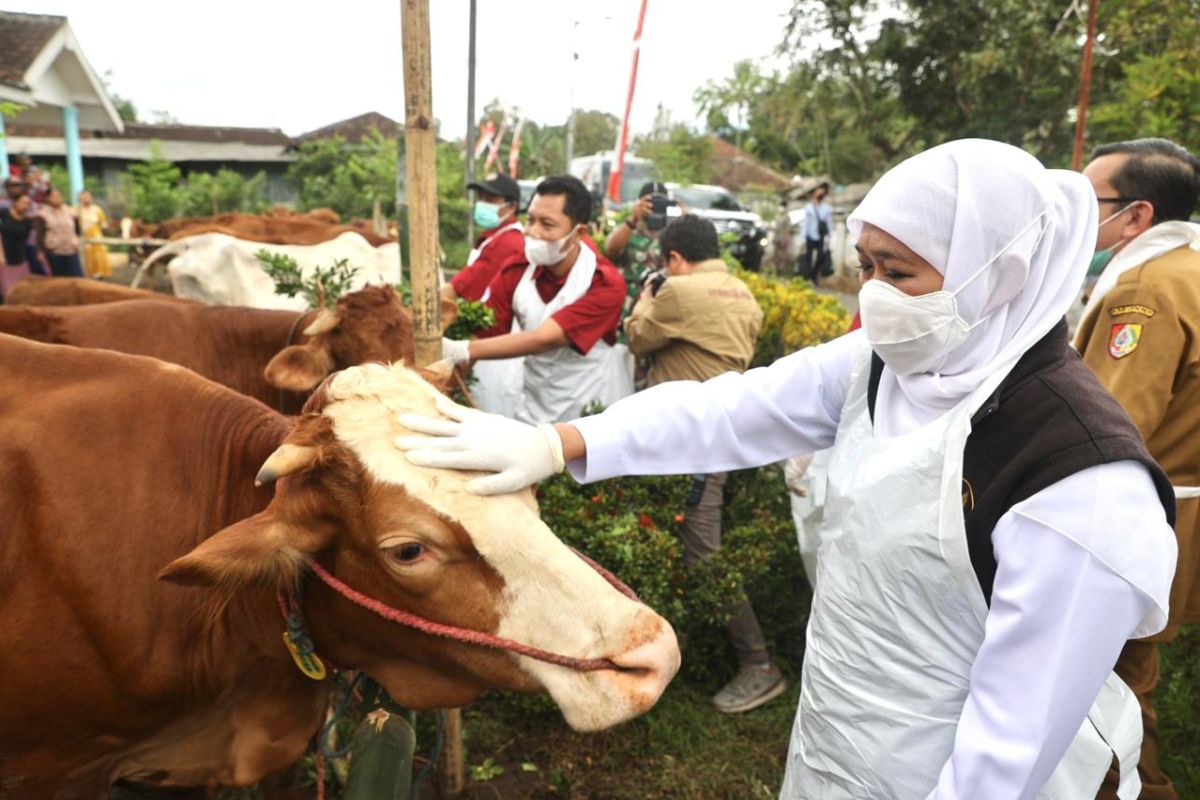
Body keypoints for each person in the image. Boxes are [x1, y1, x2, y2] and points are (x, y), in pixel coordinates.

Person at [397, 140, 1178, 799]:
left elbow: (1012, 742)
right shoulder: (896, 359)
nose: (872, 297)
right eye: (864, 265)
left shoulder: (1077, 480)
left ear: (999, 275)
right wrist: (563, 443)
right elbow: (733, 409)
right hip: (837, 735)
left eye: (898, 273)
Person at [1075, 137, 1200, 800]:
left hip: (1137, 516)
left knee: (1109, 679)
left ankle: (1138, 788)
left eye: (1085, 201)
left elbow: (1106, 425)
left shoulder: (1147, 288)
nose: (1074, 217)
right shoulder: (1188, 266)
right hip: (1169, 506)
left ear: (1135, 215)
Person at [624, 214, 775, 712]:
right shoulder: (742, 294)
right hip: (721, 437)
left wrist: (647, 295)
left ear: (673, 258)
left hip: (688, 443)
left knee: (701, 555)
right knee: (687, 545)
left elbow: (638, 337)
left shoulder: (679, 293)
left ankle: (758, 664)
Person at [439, 175, 631, 425]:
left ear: (578, 233)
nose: (533, 233)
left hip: (591, 405)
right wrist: (446, 384)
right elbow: (486, 330)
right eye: (530, 220)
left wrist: (459, 349)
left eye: (547, 225)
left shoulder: (603, 281)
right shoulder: (516, 270)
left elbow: (546, 338)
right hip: (535, 402)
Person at [441, 172, 526, 303]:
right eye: (481, 197)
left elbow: (466, 283)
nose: (482, 204)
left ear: (512, 206)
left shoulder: (508, 243)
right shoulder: (497, 236)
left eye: (490, 199)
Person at [604, 180, 669, 315]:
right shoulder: (629, 229)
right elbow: (610, 249)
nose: (653, 207)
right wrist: (633, 219)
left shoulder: (673, 231)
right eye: (649, 203)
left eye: (660, 203)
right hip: (630, 303)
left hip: (662, 303)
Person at [35, 187, 83, 278]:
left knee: (77, 277)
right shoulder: (42, 214)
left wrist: (76, 242)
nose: (57, 198)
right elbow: (40, 234)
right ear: (47, 198)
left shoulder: (70, 211)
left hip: (71, 250)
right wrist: (40, 251)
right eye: (53, 196)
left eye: (59, 196)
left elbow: (77, 230)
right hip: (54, 252)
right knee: (59, 279)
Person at [797, 182, 833, 284]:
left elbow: (829, 223)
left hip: (821, 236)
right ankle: (808, 276)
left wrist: (829, 237)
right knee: (808, 257)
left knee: (821, 257)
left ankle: (814, 274)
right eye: (818, 191)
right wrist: (803, 238)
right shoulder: (809, 207)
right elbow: (805, 223)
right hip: (810, 236)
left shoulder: (827, 208)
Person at [0, 193, 35, 299]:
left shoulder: (28, 222)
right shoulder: (3, 214)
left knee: (18, 292)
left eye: (28, 204)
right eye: (23, 202)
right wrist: (1, 255)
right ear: (15, 202)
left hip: (18, 260)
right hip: (2, 258)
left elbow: (24, 242)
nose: (25, 205)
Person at [77, 190, 111, 279]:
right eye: (83, 197)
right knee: (86, 258)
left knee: (99, 256)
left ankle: (100, 275)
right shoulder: (77, 210)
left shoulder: (97, 209)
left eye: (87, 196)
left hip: (96, 236)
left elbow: (103, 224)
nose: (85, 199)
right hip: (84, 237)